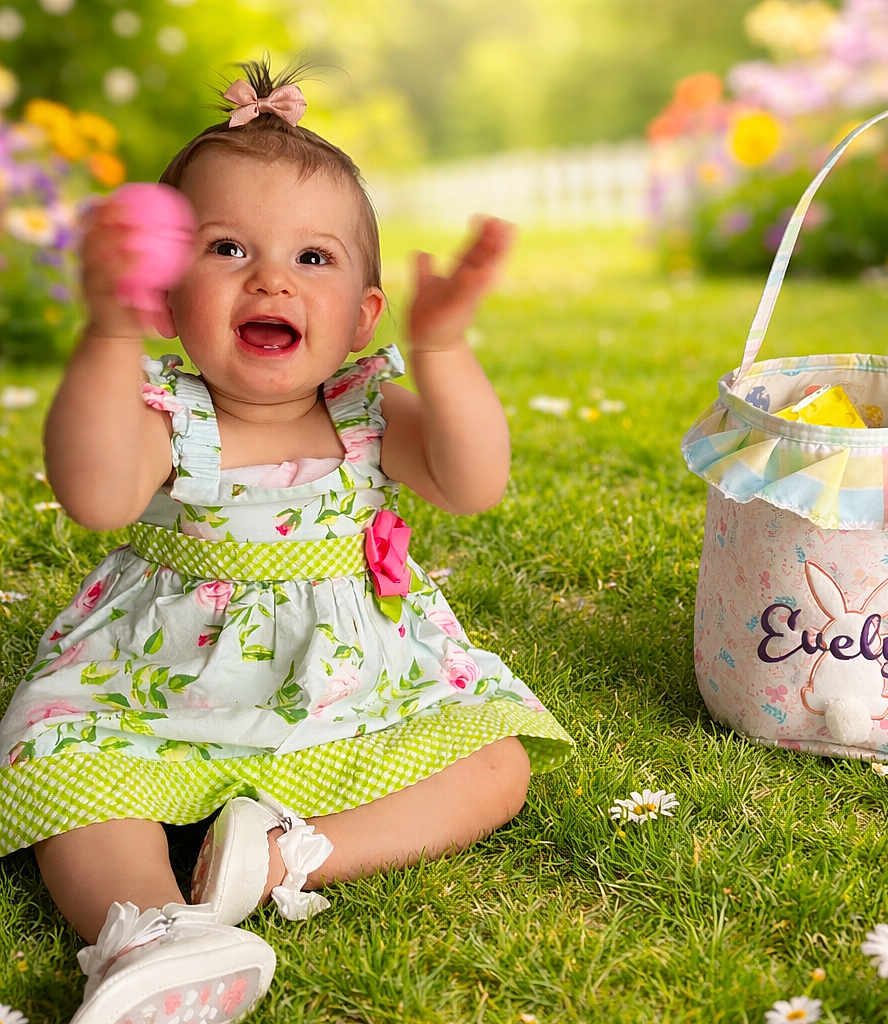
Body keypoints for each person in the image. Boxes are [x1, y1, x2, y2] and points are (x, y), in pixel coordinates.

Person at [0, 58, 573, 1023]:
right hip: (159, 688)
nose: (271, 277)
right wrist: (105, 329)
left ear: (361, 316)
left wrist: (444, 353)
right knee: (71, 774)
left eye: (314, 258)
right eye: (226, 249)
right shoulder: (163, 410)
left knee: (496, 763)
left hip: (355, 685)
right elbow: (95, 495)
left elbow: (474, 484)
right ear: (164, 297)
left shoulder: (365, 408)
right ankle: (146, 933)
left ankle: (277, 858)